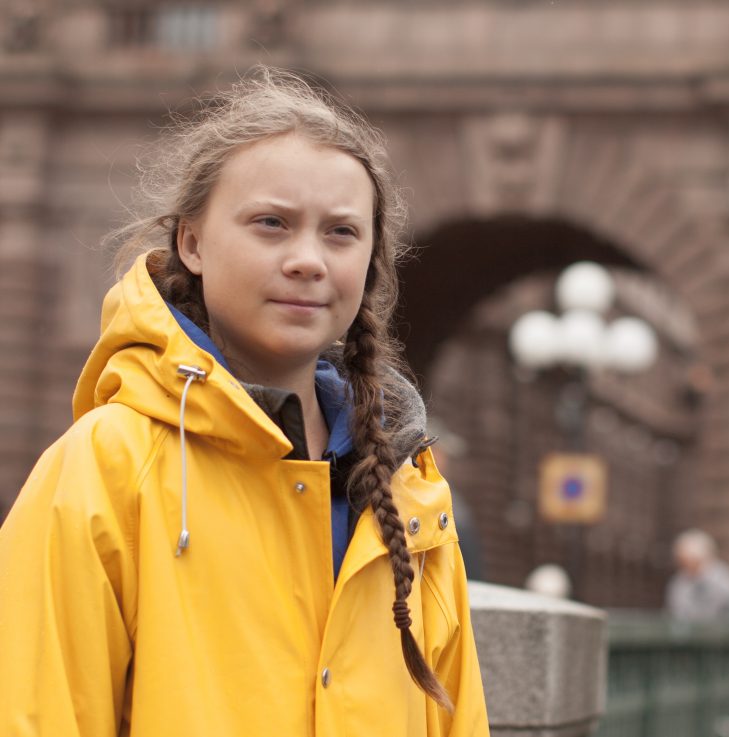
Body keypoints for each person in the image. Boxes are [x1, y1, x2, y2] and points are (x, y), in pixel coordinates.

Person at [0, 68, 488, 736]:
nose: (308, 259)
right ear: (192, 242)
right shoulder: (106, 466)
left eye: (341, 232)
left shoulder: (409, 486)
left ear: (371, 259)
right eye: (271, 224)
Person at [664, 528, 729, 626]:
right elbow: (676, 615)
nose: (682, 564)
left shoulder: (728, 580)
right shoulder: (678, 583)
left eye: (686, 560)